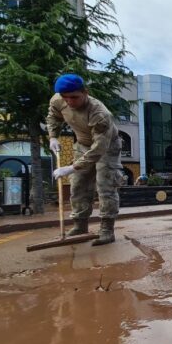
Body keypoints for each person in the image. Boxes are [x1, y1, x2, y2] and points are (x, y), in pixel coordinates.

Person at [47, 74, 123, 246]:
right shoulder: (57, 100)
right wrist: (53, 137)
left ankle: (106, 230)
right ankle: (80, 225)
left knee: (106, 186)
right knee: (78, 184)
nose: (70, 102)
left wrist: (72, 167)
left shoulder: (100, 113)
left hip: (107, 147)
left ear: (85, 93)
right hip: (82, 144)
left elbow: (99, 148)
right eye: (66, 98)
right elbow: (53, 117)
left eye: (74, 97)